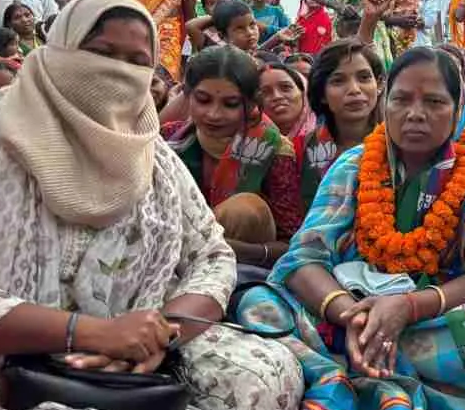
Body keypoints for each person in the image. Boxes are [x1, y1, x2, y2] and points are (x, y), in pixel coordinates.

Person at [0, 0, 301, 410]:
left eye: (136, 61)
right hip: (11, 357)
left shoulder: (153, 156)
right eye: (101, 54)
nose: (117, 73)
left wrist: (161, 332)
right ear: (56, 53)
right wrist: (88, 332)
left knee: (269, 377)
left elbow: (212, 255)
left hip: (142, 354)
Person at [235, 46, 465, 410]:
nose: (415, 114)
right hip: (344, 310)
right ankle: (364, 356)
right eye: (402, 100)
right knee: (257, 304)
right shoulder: (354, 164)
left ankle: (352, 361)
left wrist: (406, 309)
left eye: (433, 102)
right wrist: (351, 314)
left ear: (459, 107)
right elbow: (303, 258)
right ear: (385, 101)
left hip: (434, 312)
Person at [162, 45, 302, 268]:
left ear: (251, 104)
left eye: (230, 104)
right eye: (203, 100)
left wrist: (230, 248)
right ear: (188, 97)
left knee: (245, 209)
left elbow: (291, 243)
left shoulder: (274, 150)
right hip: (167, 254)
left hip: (242, 266)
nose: (213, 114)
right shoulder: (168, 139)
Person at [297, 38, 384, 209]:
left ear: (379, 84)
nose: (354, 89)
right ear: (322, 94)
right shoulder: (300, 149)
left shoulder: (401, 146)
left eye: (364, 78)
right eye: (338, 81)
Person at [259, 61, 316, 139]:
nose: (277, 96)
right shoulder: (249, 144)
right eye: (265, 92)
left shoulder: (328, 137)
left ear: (303, 93)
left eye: (286, 87)